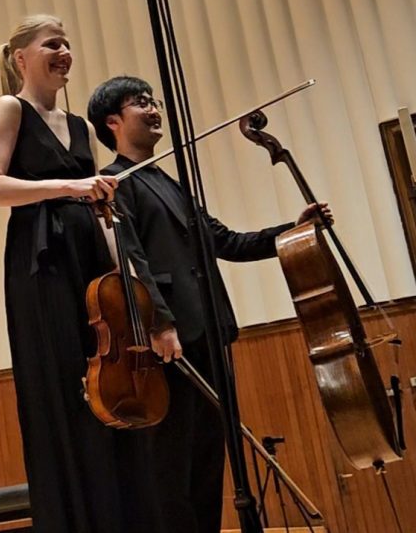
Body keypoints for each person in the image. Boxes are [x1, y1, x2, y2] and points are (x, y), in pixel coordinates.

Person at [87, 75, 332, 532]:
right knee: (171, 467)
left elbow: (225, 241)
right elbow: (132, 260)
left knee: (208, 464)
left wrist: (293, 230)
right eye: (140, 102)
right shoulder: (116, 183)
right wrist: (160, 324)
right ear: (113, 121)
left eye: (153, 100)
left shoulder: (170, 182)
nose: (154, 108)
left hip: (209, 330)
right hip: (169, 344)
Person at [0, 15, 163, 533]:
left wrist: (124, 269)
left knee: (102, 381)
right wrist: (70, 187)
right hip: (43, 261)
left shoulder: (79, 125)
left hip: (88, 257)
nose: (64, 52)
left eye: (66, 44)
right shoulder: (10, 108)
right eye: (51, 44)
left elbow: (95, 203)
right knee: (62, 384)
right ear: (21, 58)